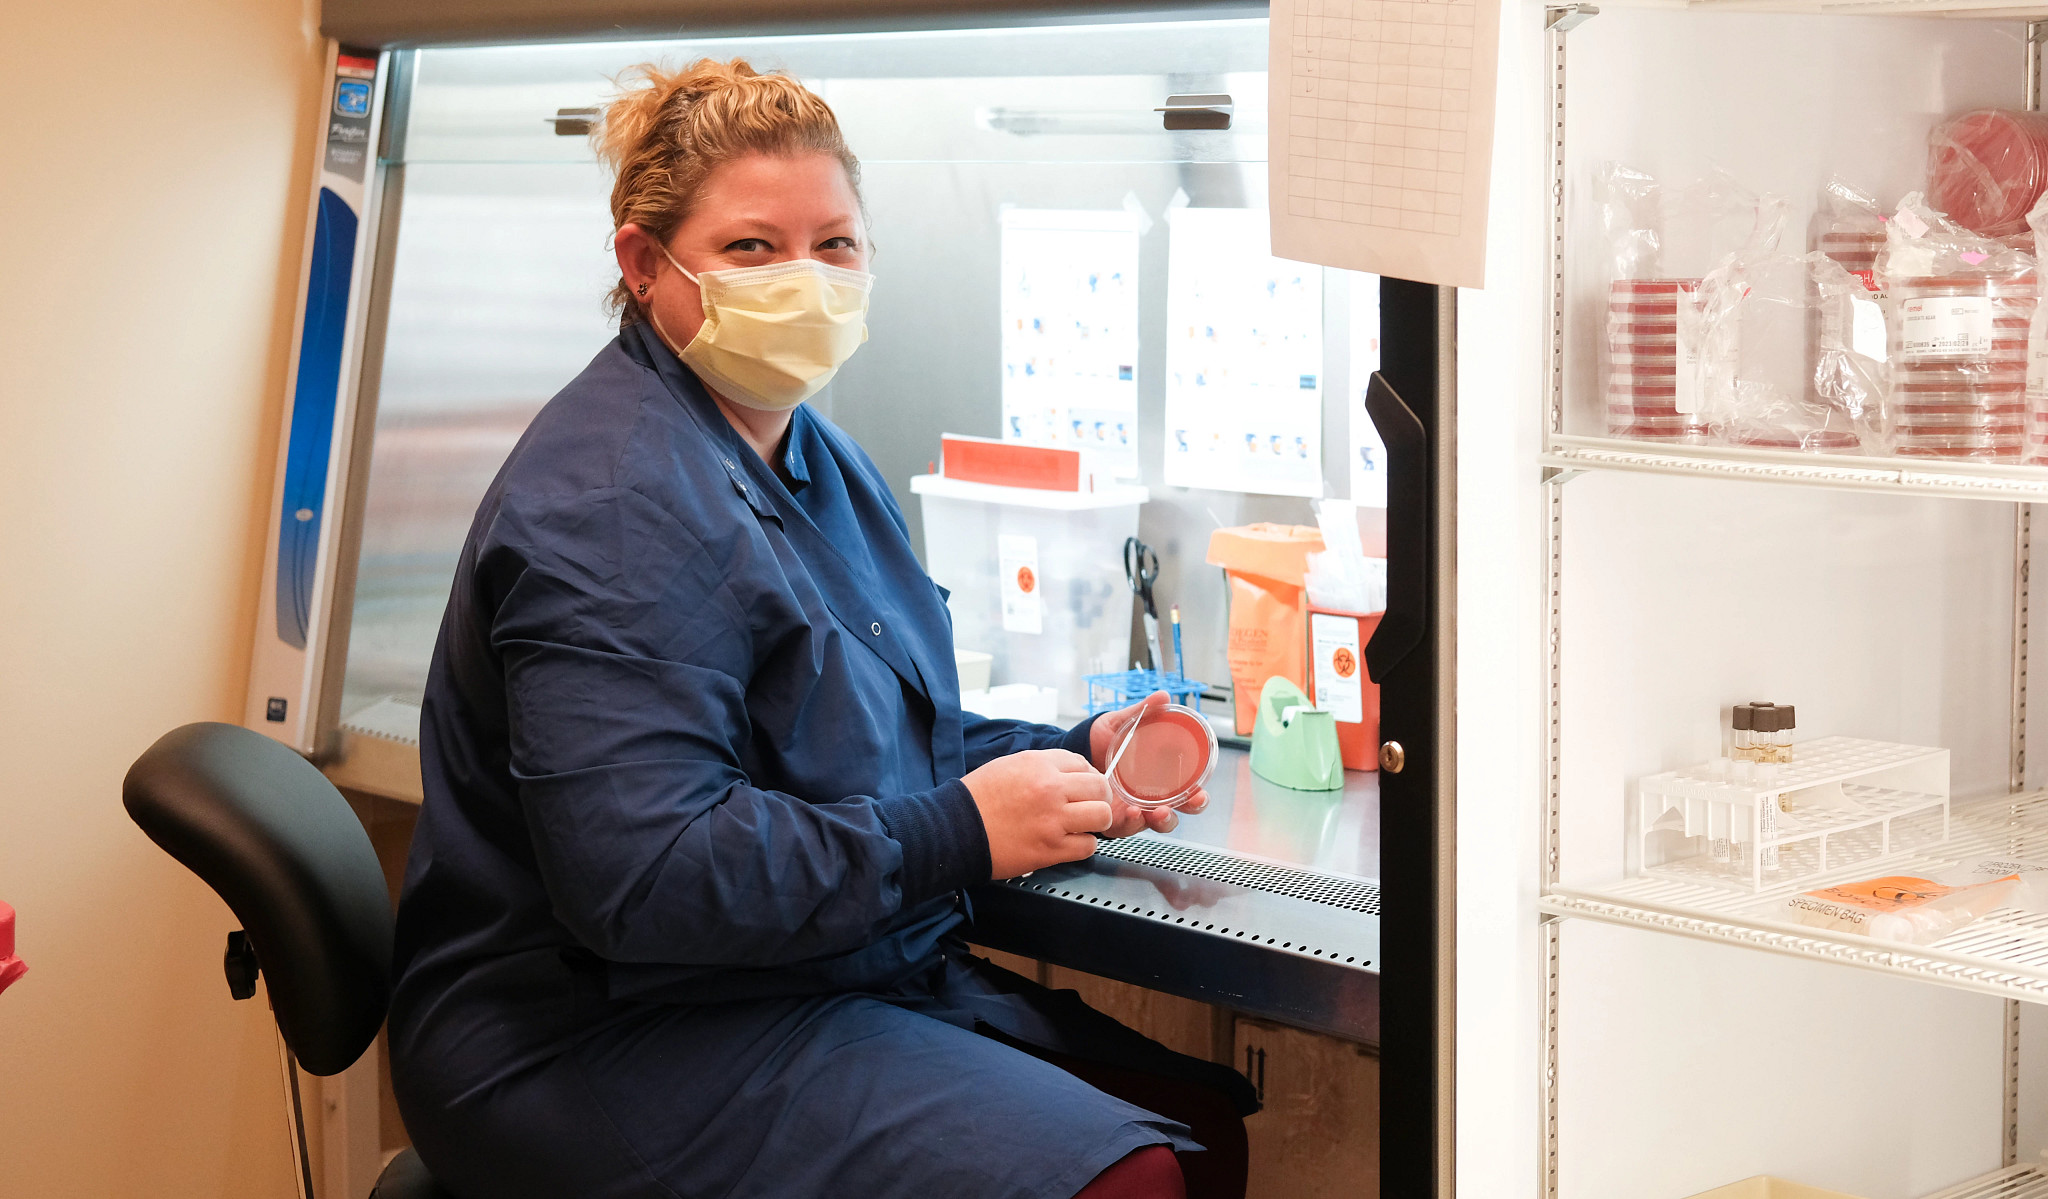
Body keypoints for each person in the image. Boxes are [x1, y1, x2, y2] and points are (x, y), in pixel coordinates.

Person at [386, 59, 1257, 1199]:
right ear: (645, 265)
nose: (805, 278)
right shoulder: (608, 503)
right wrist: (955, 829)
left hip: (782, 973)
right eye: (753, 247)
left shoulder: (805, 450)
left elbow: (875, 723)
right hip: (593, 1030)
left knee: (1203, 1123)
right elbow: (641, 878)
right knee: (1125, 1178)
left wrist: (1069, 757)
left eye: (834, 245)